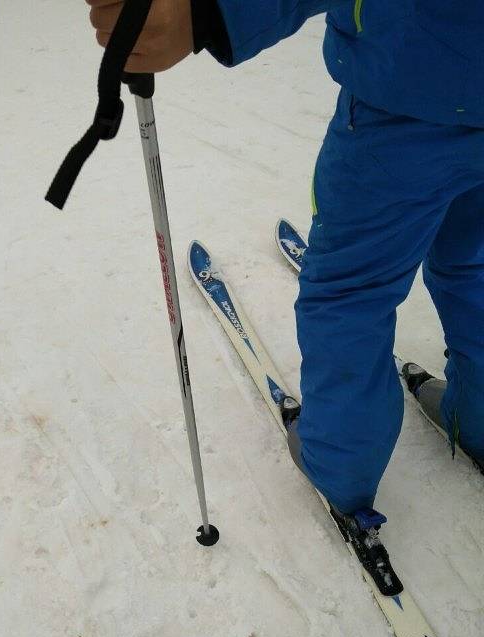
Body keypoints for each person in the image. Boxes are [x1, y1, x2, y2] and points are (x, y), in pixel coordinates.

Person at [86, 0, 484, 528]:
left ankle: (342, 468)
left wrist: (212, 12)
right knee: (473, 263)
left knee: (351, 293)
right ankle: (479, 414)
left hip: (405, 99)